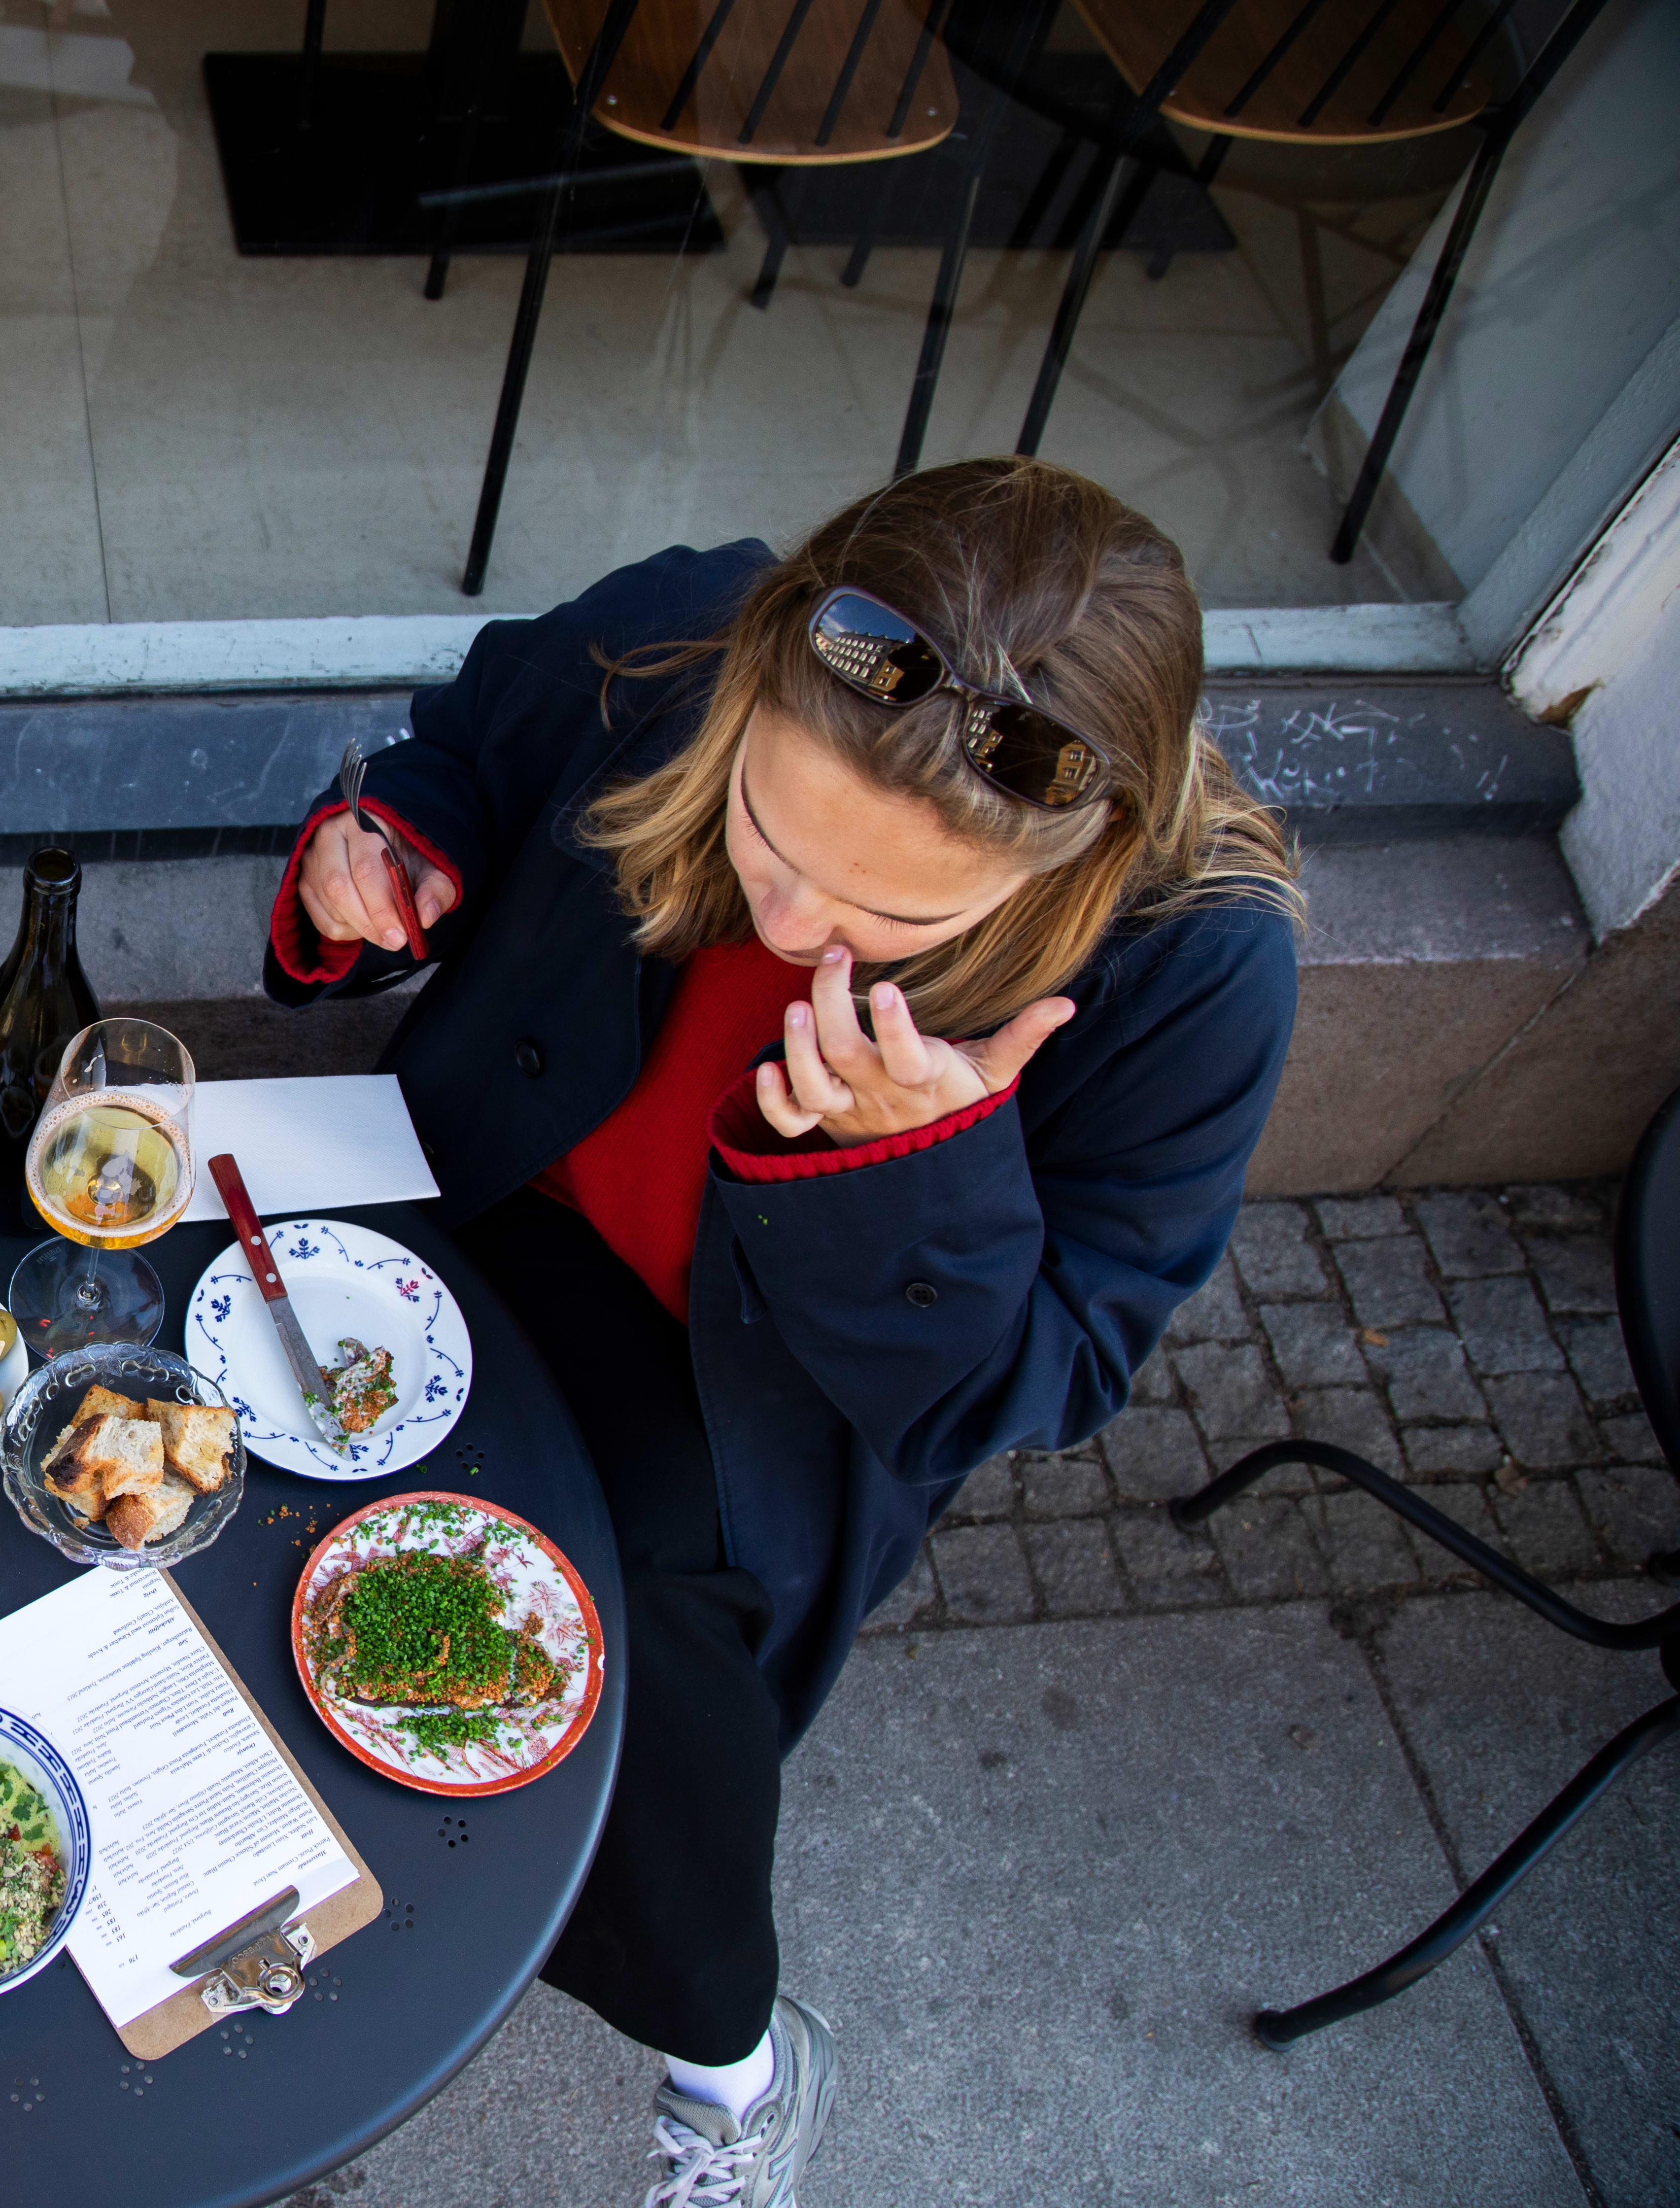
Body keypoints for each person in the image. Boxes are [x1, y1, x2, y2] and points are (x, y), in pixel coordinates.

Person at [265, 458, 1300, 2207]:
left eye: (893, 915)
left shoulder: (1197, 965)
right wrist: (397, 845)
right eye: (767, 831)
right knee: (247, 1475)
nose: (791, 926)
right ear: (752, 674)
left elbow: (1052, 1378)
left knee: (618, 1669)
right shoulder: (681, 629)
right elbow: (474, 742)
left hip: (747, 1373)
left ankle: (730, 2066)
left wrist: (917, 1174)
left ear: (1078, 860)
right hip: (478, 1186)